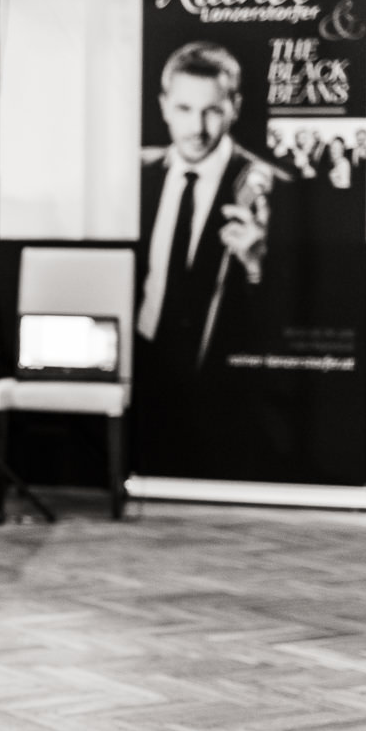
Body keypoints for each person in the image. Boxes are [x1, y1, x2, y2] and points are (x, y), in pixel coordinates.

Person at [135, 40, 295, 480]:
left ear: (234, 107)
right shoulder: (137, 175)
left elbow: (295, 313)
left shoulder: (277, 189)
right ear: (164, 106)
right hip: (147, 377)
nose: (197, 128)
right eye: (184, 109)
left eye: (212, 111)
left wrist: (257, 265)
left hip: (229, 402)